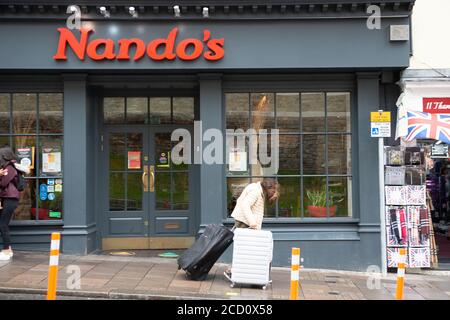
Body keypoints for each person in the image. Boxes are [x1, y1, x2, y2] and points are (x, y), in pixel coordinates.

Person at [224, 178, 280, 279]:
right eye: (274, 190)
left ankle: (234, 271)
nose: (275, 192)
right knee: (244, 249)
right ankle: (232, 271)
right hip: (246, 223)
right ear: (269, 188)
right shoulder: (255, 191)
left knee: (245, 249)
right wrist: (253, 223)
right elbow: (245, 205)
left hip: (246, 223)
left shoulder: (258, 190)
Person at [0, 147, 28, 261]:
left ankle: (7, 250)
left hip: (10, 198)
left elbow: (3, 183)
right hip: (6, 198)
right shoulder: (6, 167)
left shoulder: (9, 168)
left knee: (3, 224)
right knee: (2, 224)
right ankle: (8, 249)